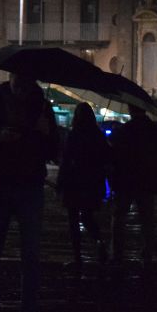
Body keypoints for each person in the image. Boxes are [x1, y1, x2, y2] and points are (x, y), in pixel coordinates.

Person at [0, 73, 58, 312]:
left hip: (30, 185)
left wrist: (47, 134)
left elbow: (54, 151)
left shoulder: (42, 106)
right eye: (16, 77)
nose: (20, 84)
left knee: (31, 255)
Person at [109, 105, 157, 268]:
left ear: (130, 110)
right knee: (147, 219)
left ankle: (118, 251)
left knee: (119, 217)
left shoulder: (124, 130)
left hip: (125, 180)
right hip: (147, 180)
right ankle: (147, 252)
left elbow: (116, 156)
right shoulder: (155, 130)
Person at [58, 103, 110, 271]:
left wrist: (61, 183)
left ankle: (77, 256)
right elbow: (105, 159)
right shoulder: (98, 136)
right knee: (88, 217)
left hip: (74, 183)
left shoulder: (73, 135)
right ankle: (99, 241)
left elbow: (65, 161)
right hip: (92, 183)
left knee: (73, 220)